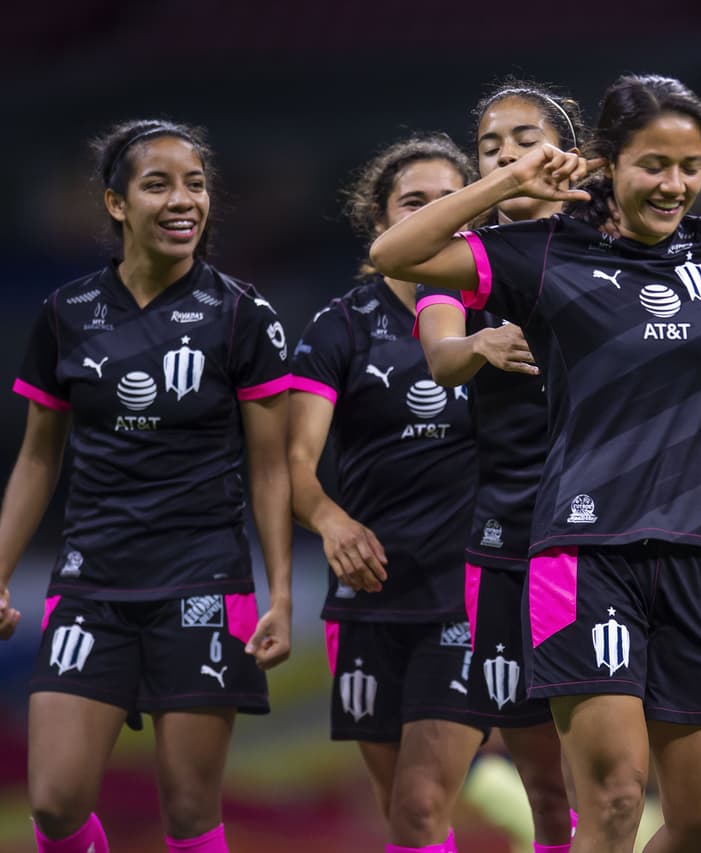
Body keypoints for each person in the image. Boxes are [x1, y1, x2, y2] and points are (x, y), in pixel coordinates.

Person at [370, 74, 701, 853]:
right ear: (607, 163)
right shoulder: (542, 253)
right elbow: (394, 252)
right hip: (584, 554)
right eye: (653, 164)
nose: (674, 183)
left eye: (690, 165)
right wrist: (510, 179)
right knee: (610, 801)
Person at [0, 119, 294, 853]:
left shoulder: (242, 313)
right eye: (159, 184)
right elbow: (37, 457)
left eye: (196, 184)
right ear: (116, 205)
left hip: (203, 580)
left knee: (187, 808)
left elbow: (269, 466)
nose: (184, 201)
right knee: (53, 802)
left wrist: (278, 591)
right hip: (93, 580)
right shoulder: (66, 315)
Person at [287, 133, 487, 853]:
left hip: (466, 589)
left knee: (422, 804)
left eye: (451, 204)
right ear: (381, 224)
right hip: (368, 594)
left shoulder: (497, 319)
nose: (435, 216)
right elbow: (295, 465)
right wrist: (332, 520)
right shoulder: (339, 326)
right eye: (414, 203)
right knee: (403, 811)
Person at [414, 81, 582, 853]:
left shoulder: (615, 243)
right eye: (490, 147)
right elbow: (442, 353)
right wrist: (474, 348)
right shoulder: (463, 263)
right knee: (546, 787)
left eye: (525, 140)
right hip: (509, 536)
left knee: (619, 775)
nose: (507, 155)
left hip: (617, 532)